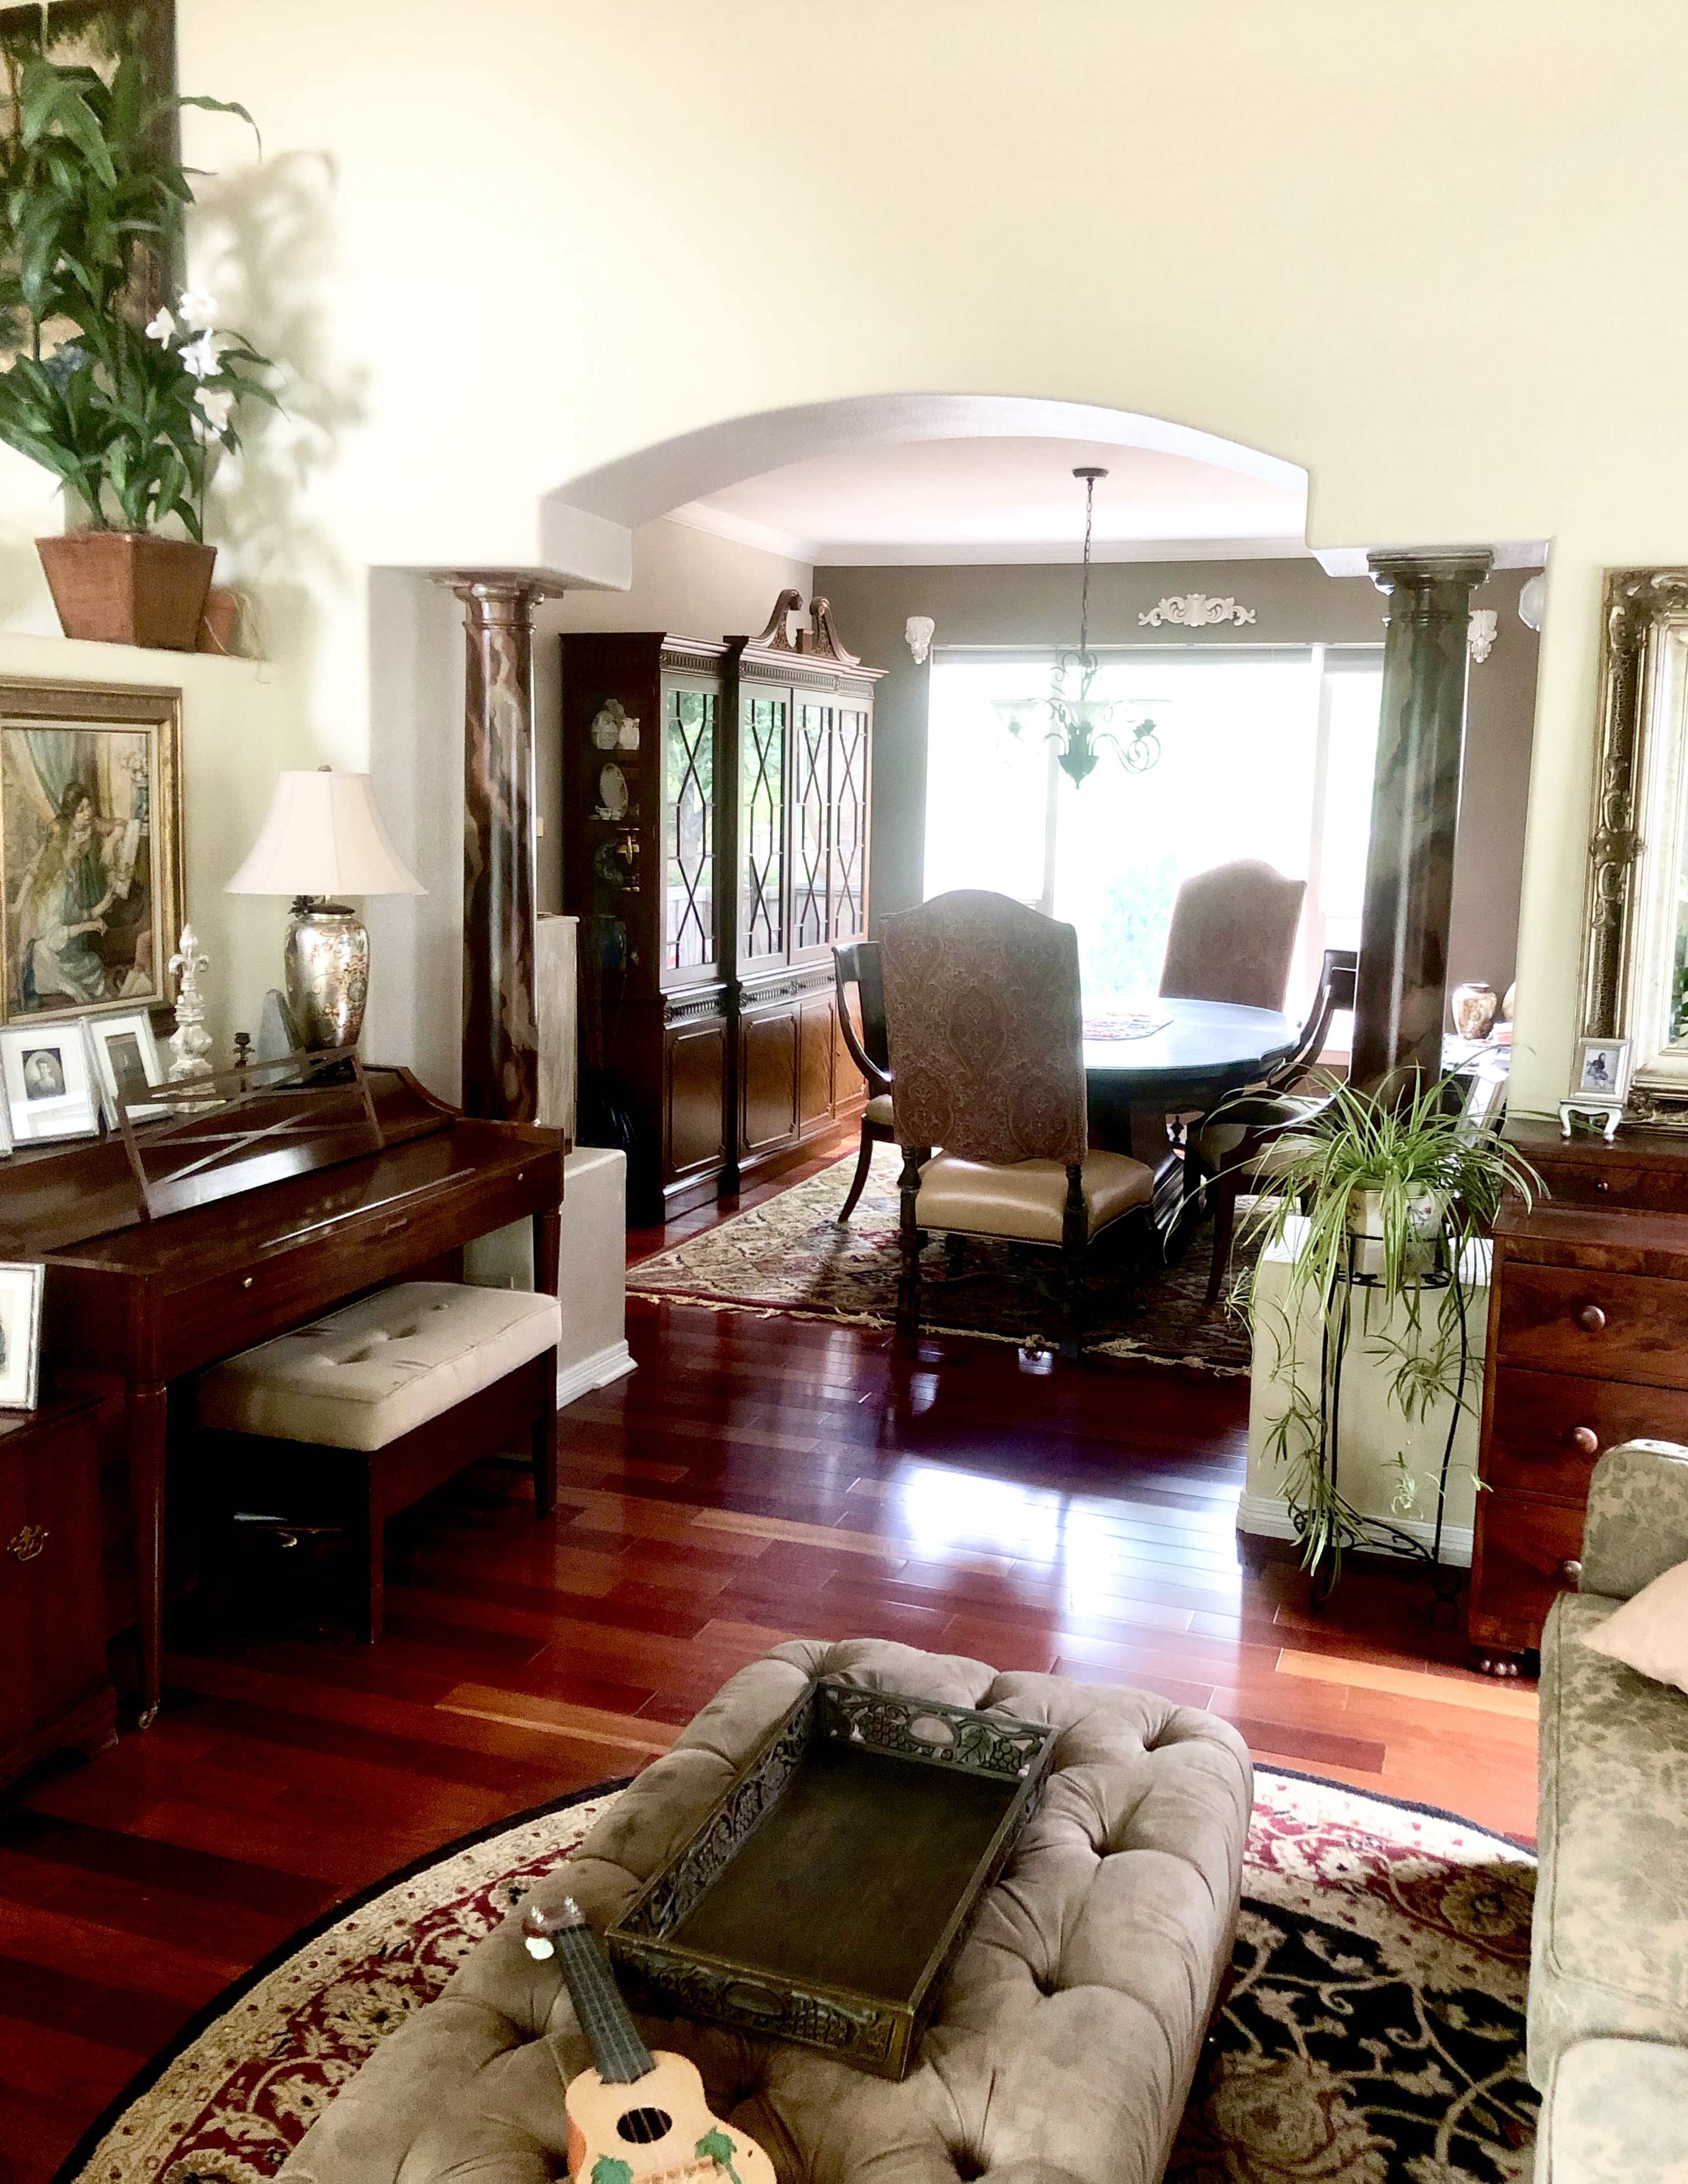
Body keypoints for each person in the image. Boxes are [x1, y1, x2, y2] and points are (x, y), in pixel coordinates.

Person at [10, 782, 128, 1008]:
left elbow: (120, 824)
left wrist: (110, 844)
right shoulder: (59, 836)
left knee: (90, 955)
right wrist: (18, 903)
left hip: (79, 895)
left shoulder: (72, 867)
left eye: (89, 807)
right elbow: (36, 870)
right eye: (81, 810)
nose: (87, 814)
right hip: (58, 923)